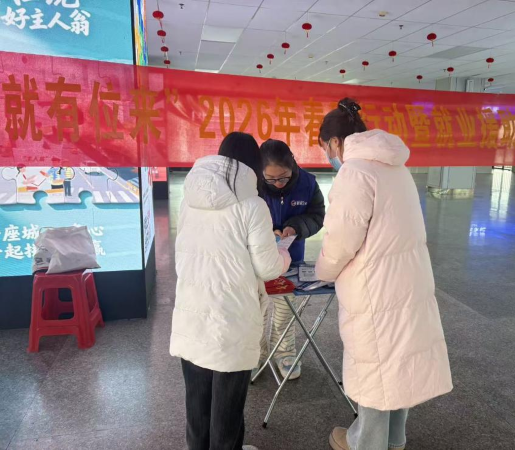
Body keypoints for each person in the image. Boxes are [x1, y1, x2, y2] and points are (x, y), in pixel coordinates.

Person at [316, 99, 453, 450]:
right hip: (408, 280)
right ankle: (393, 439)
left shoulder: (355, 172)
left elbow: (341, 240)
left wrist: (323, 270)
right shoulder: (395, 166)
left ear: (335, 142)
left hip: (375, 285)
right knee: (398, 363)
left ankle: (365, 443)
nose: (328, 156)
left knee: (376, 365)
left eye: (325, 148)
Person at [170, 132, 291, 450]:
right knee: (227, 411)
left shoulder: (189, 200)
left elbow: (183, 257)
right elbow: (267, 268)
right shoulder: (253, 205)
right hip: (231, 320)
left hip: (192, 315)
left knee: (197, 405)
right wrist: (283, 254)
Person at [257, 139, 325, 380]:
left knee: (285, 307)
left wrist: (296, 227)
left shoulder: (308, 183)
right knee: (257, 307)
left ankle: (285, 352)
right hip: (257, 258)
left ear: (293, 165)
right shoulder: (253, 184)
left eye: (283, 177)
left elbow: (317, 215)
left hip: (291, 257)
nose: (277, 183)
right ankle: (256, 353)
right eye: (271, 179)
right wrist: (268, 231)